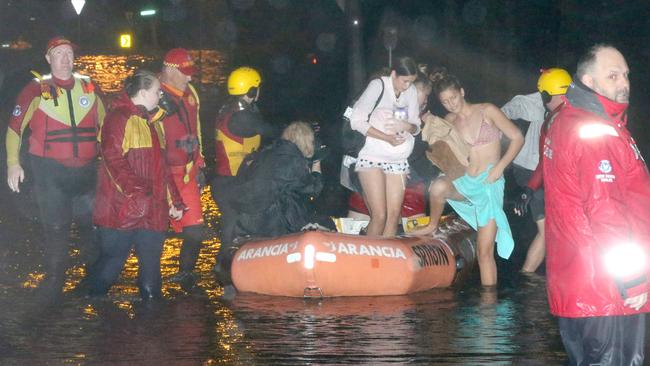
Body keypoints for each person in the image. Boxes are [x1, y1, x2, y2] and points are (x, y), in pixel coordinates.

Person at [543, 44, 650, 365]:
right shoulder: (596, 132)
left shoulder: (566, 120)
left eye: (626, 75)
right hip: (608, 291)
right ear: (589, 80)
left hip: (578, 283)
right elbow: (607, 213)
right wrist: (633, 280)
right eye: (613, 75)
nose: (624, 83)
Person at [5, 36, 105, 298]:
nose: (65, 58)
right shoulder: (35, 89)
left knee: (92, 225)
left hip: (85, 172)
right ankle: (54, 284)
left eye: (69, 53)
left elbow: (109, 128)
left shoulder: (89, 87)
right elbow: (14, 130)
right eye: (59, 53)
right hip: (50, 174)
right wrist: (13, 164)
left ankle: (93, 281)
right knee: (57, 228)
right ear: (48, 58)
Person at [411, 68, 523, 286]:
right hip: (466, 181)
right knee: (437, 188)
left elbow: (517, 137)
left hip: (489, 183)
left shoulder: (487, 110)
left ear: (462, 92)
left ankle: (488, 309)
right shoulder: (449, 121)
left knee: (484, 252)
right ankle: (432, 224)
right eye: (445, 102)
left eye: (453, 98)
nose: (451, 104)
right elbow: (444, 152)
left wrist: (500, 167)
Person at [90, 69, 185, 299]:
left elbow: (163, 169)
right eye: (157, 91)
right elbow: (113, 160)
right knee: (111, 267)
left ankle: (152, 325)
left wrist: (175, 201)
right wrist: (138, 194)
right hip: (120, 212)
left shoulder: (154, 122)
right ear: (143, 93)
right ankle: (85, 315)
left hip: (152, 211)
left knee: (152, 272)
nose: (160, 96)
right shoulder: (118, 118)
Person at [501, 68, 572, 273]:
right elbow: (507, 110)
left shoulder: (573, 111)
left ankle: (528, 275)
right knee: (548, 231)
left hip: (550, 174)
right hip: (529, 170)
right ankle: (536, 278)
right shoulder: (534, 105)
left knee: (549, 230)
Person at [211, 66, 277, 272]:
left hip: (226, 181)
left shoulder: (229, 110)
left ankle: (228, 273)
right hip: (232, 183)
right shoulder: (243, 118)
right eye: (256, 89)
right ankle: (227, 273)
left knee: (233, 231)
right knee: (231, 233)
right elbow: (271, 131)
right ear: (251, 91)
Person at [350, 56, 421, 237]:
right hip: (373, 157)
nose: (407, 86)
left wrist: (406, 126)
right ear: (394, 74)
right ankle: (367, 260)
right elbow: (356, 121)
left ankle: (385, 260)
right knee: (380, 215)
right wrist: (386, 138)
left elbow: (416, 126)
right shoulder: (378, 86)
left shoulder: (411, 91)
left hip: (398, 161)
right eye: (405, 81)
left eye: (411, 82)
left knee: (393, 216)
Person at [229, 121, 325, 238]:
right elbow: (313, 189)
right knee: (324, 224)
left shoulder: (264, 154)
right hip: (272, 224)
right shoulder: (292, 160)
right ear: (306, 141)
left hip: (246, 220)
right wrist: (317, 162)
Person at [158, 48, 205, 284]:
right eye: (184, 73)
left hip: (187, 173)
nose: (189, 78)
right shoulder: (153, 95)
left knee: (196, 232)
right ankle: (149, 279)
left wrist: (200, 163)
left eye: (190, 73)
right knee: (153, 231)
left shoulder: (191, 93)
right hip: (161, 175)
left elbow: (196, 131)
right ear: (168, 70)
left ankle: (185, 275)